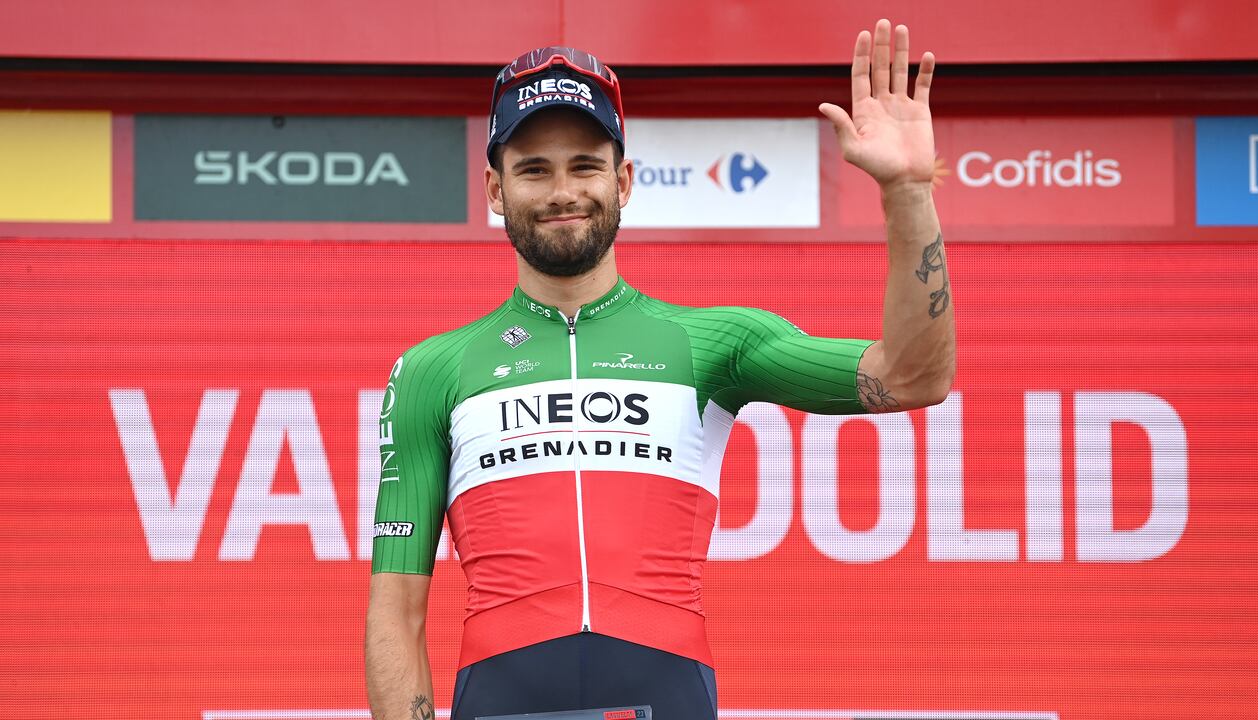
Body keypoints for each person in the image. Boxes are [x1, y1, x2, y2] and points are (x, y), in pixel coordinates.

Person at [365, 19, 953, 720]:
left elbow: (915, 376)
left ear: (624, 180)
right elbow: (396, 611)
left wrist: (909, 192)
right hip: (498, 694)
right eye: (533, 169)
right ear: (495, 189)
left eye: (584, 165)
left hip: (666, 691)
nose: (562, 191)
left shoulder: (714, 343)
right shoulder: (435, 369)